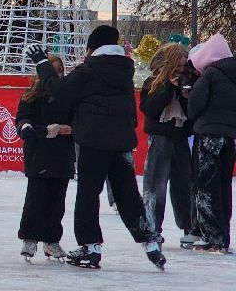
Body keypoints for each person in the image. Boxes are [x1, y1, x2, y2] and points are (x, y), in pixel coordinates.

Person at [28, 26, 164, 270]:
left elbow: (59, 91)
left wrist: (41, 62)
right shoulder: (125, 69)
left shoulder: (89, 71)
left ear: (93, 48)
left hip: (93, 142)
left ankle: (90, 247)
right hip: (121, 141)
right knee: (127, 194)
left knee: (88, 195)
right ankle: (150, 242)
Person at [14, 54, 74, 261]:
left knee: (57, 200)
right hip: (38, 153)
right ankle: (29, 238)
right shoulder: (31, 96)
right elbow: (23, 119)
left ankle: (51, 240)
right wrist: (28, 127)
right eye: (52, 72)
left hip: (62, 156)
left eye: (59, 73)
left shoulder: (68, 98)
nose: (55, 77)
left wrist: (69, 129)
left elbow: (79, 122)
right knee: (35, 198)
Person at [139, 42, 194, 249]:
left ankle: (189, 226)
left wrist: (185, 95)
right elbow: (150, 108)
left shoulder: (189, 82)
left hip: (180, 137)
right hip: (160, 137)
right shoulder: (153, 82)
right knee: (155, 186)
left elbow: (191, 113)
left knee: (184, 185)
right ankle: (153, 228)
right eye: (177, 67)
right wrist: (169, 88)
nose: (180, 71)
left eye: (183, 67)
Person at [188, 34, 236, 254]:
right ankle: (223, 234)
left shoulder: (211, 74)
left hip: (209, 135)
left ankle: (212, 235)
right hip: (230, 136)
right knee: (224, 184)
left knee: (207, 184)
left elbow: (196, 104)